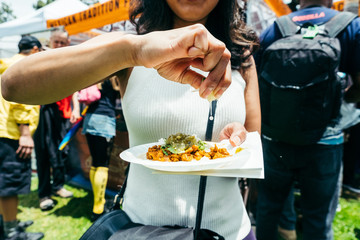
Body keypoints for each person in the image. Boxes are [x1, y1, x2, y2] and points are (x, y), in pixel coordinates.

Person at [1, 0, 261, 238]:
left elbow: (251, 139)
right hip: (140, 231)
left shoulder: (242, 56)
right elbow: (13, 85)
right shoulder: (131, 47)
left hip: (230, 231)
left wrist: (238, 136)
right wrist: (133, 51)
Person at [254, 0, 360, 239]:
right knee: (318, 217)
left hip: (276, 139)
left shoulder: (277, 27)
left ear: (299, 1)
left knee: (268, 209)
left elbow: (259, 79)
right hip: (326, 139)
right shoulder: (351, 26)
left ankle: (280, 231)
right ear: (331, 0)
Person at [0, 36, 44, 240]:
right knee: (9, 183)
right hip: (12, 133)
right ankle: (11, 233)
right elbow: (20, 101)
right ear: (34, 50)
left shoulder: (7, 63)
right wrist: (25, 134)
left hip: (5, 131)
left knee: (4, 181)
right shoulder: (23, 66)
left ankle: (9, 222)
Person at [33, 29, 80, 211]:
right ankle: (44, 194)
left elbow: (74, 87)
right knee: (44, 152)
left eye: (63, 42)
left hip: (64, 113)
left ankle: (58, 186)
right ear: (50, 41)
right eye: (56, 42)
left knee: (62, 150)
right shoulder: (41, 58)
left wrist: (76, 107)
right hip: (46, 110)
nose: (59, 45)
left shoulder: (69, 62)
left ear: (67, 43)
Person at [80, 77, 120, 221]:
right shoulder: (113, 78)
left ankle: (97, 203)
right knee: (102, 165)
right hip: (104, 120)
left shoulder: (96, 74)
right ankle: (98, 209)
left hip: (90, 119)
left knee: (96, 163)